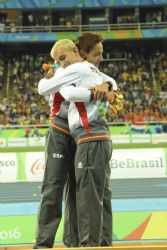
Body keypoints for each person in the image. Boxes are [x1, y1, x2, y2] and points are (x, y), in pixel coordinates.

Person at [33, 39, 116, 249]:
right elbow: (48, 89)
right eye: (57, 61)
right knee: (53, 188)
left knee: (78, 191)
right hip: (61, 132)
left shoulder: (83, 68)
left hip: (78, 135)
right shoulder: (61, 70)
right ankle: (43, 243)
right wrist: (101, 91)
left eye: (63, 58)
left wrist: (107, 85)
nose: (61, 64)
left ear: (76, 52)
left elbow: (111, 80)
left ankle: (75, 242)